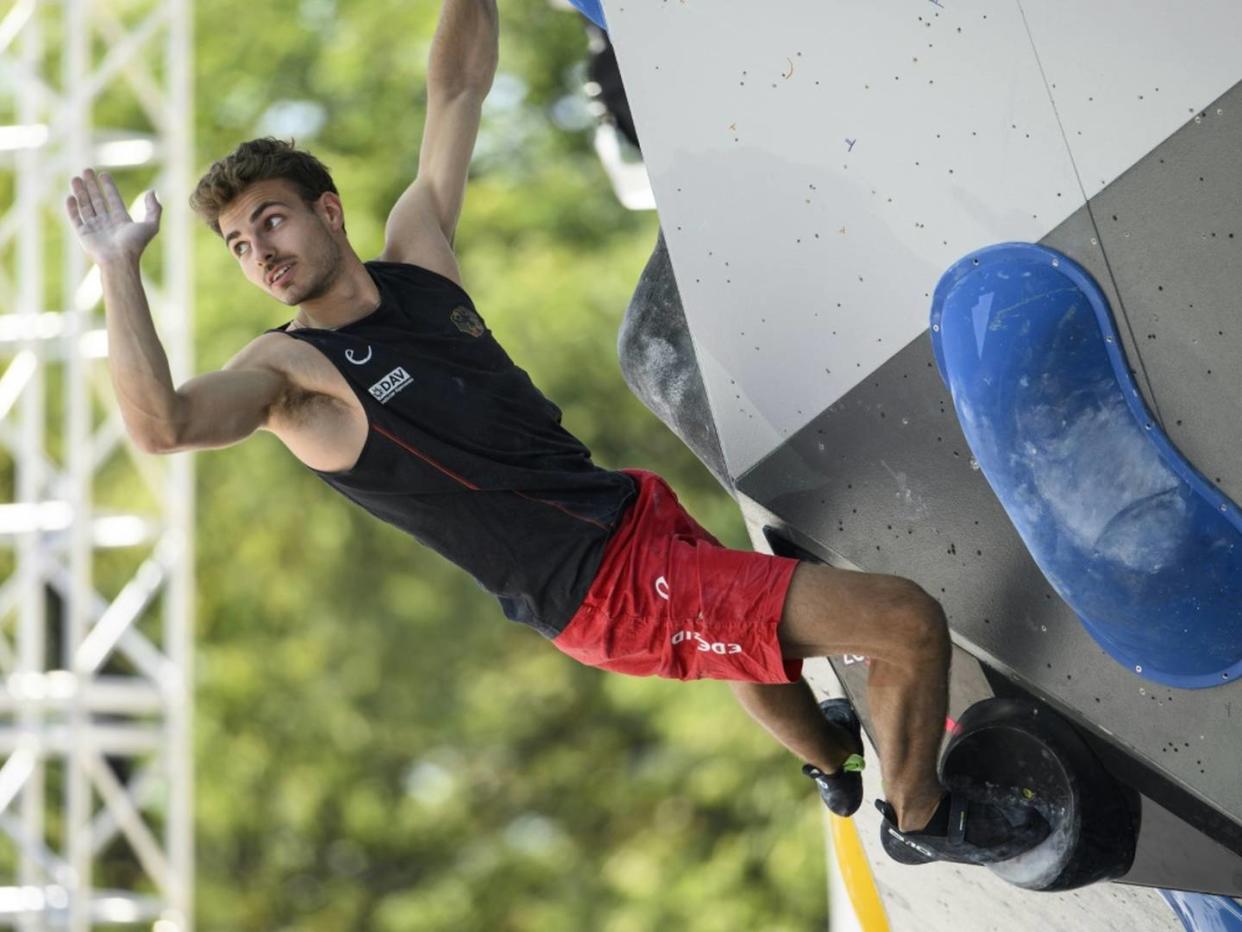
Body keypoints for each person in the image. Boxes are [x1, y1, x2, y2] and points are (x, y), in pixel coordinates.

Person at [64, 0, 1047, 866]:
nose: (260, 255)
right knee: (906, 621)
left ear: (327, 211)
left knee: (744, 646)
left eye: (270, 223)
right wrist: (118, 270)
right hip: (601, 589)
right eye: (238, 245)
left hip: (623, 516)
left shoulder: (418, 256)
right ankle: (920, 813)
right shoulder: (289, 376)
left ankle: (827, 765)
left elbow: (455, 90)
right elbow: (164, 426)